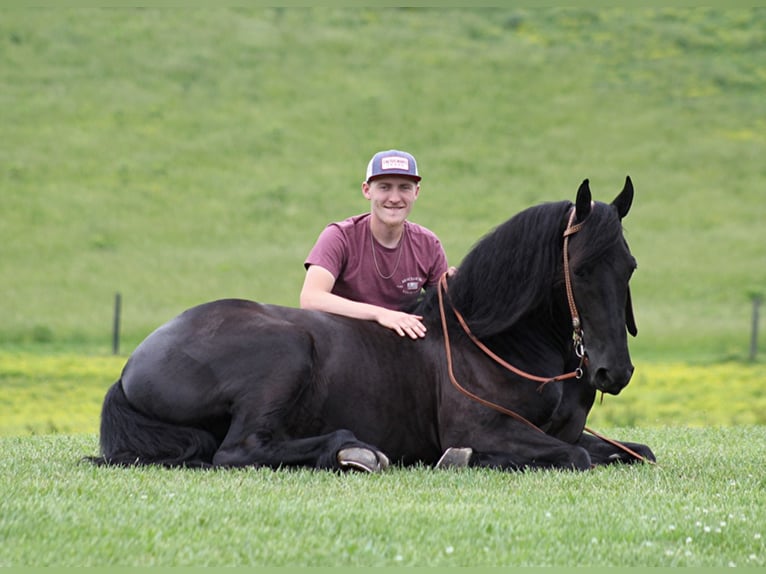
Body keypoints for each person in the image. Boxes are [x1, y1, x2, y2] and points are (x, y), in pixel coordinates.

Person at [301, 149, 452, 339]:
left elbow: (443, 312)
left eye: (404, 187)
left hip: (398, 351)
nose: (395, 198)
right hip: (339, 347)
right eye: (384, 187)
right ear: (367, 190)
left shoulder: (429, 244)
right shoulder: (339, 236)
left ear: (416, 192)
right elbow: (311, 298)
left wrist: (457, 287)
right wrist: (380, 314)